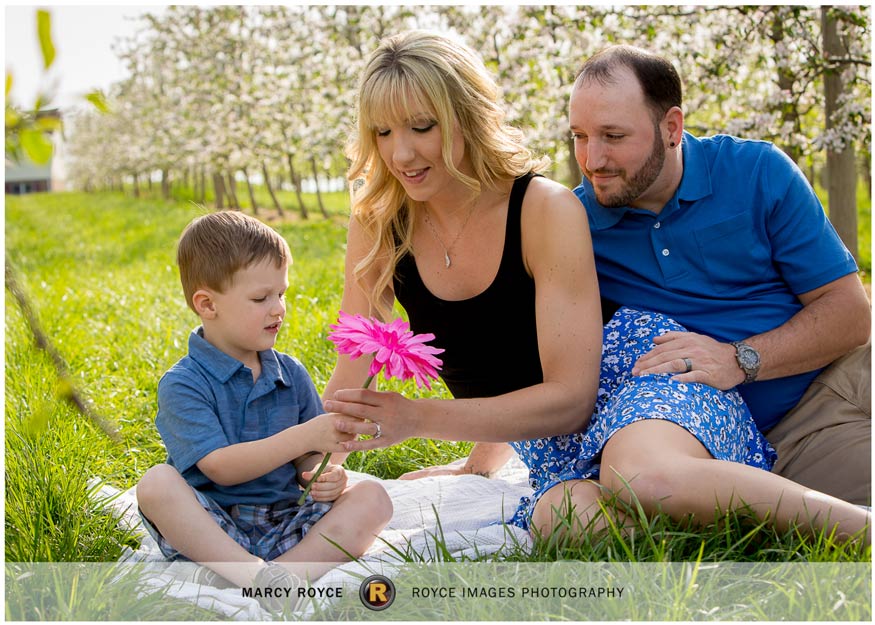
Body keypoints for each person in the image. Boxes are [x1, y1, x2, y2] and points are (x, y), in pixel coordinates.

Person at [321, 30, 870, 544]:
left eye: (421, 127)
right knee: (562, 521)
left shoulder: (552, 209)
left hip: (701, 388)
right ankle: (730, 543)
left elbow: (851, 313)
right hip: (575, 440)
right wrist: (316, 463)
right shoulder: (387, 224)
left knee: (645, 478)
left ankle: (858, 530)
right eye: (382, 132)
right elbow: (495, 338)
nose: (401, 154)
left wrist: (417, 418)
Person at [568, 44, 871, 506]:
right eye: (579, 136)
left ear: (671, 127)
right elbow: (534, 346)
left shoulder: (757, 172)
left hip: (836, 380)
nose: (592, 160)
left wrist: (738, 358)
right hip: (763, 439)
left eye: (612, 136)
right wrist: (481, 459)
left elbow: (850, 314)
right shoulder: (574, 226)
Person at [136, 211, 392, 607]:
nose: (279, 309)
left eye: (282, 294)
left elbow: (306, 460)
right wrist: (304, 436)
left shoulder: (290, 372)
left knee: (374, 498)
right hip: (213, 529)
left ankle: (282, 578)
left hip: (287, 518)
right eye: (261, 298)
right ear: (207, 304)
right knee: (155, 484)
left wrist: (323, 475)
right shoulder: (184, 383)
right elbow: (219, 466)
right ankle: (249, 573)